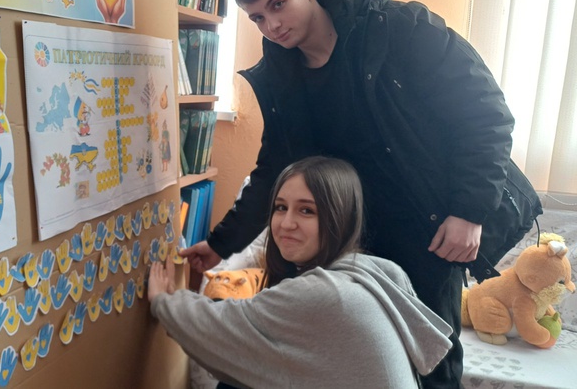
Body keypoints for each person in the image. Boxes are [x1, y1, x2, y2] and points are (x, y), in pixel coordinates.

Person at [178, 0, 542, 388]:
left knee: (432, 359)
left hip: (425, 226)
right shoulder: (281, 70)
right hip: (341, 231)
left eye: (278, 4)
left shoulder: (401, 28)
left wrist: (469, 211)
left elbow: (486, 115)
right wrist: (221, 243)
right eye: (257, 17)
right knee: (305, 347)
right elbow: (276, 166)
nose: (271, 26)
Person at [152, 157, 453, 388]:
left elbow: (220, 330)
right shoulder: (372, 269)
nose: (286, 224)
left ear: (339, 217)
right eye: (280, 207)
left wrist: (163, 300)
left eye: (306, 210)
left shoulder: (325, 293)